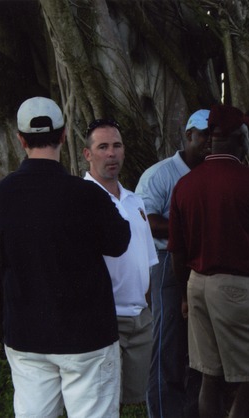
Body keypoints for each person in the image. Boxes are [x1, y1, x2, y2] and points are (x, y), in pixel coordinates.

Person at [0, 97, 131, 418]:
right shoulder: (86, 194)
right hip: (86, 336)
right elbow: (119, 241)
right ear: (64, 135)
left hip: (26, 334)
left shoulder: (3, 192)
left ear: (21, 139)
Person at [168, 104, 249, 418]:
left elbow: (177, 250)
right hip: (236, 288)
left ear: (210, 140)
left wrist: (183, 294)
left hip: (197, 285)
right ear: (241, 139)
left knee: (210, 374)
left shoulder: (185, 184)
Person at [135, 109, 210, 418]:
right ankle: (163, 412)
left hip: (205, 263)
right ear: (189, 135)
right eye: (204, 135)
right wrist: (197, 227)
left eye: (215, 136)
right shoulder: (161, 174)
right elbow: (147, 222)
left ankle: (191, 410)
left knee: (200, 346)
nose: (209, 142)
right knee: (168, 345)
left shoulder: (215, 172)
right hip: (166, 261)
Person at [83, 118, 158, 405]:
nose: (111, 153)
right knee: (100, 402)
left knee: (135, 400)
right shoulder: (81, 200)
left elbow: (148, 260)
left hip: (140, 317)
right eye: (103, 147)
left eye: (116, 145)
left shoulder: (135, 201)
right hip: (104, 318)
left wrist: (147, 308)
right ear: (88, 154)